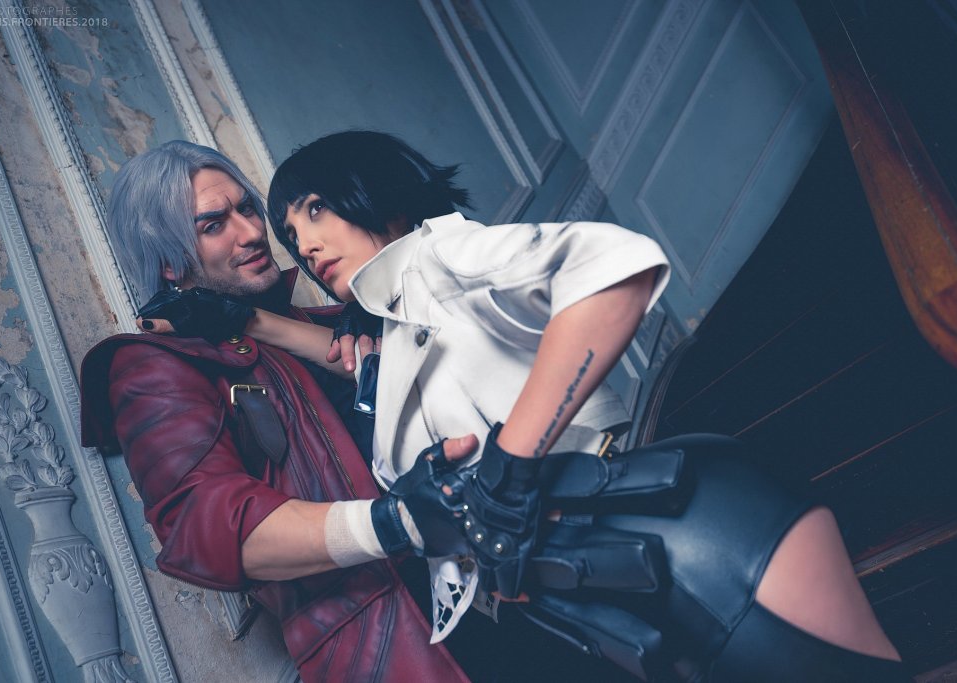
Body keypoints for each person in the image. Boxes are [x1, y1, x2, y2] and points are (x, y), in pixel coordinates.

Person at [139, 131, 909, 682]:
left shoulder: (442, 254)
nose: (300, 244)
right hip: (605, 585)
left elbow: (615, 269)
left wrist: (511, 460)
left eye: (312, 211)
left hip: (688, 537)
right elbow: (356, 359)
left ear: (370, 189)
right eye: (290, 231)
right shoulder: (397, 330)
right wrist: (244, 320)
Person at [78, 140, 471, 682]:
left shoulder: (335, 316)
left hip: (503, 569)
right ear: (169, 262)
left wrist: (362, 311)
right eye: (213, 225)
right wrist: (396, 522)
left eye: (247, 208)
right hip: (398, 635)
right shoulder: (152, 366)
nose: (251, 232)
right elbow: (209, 526)